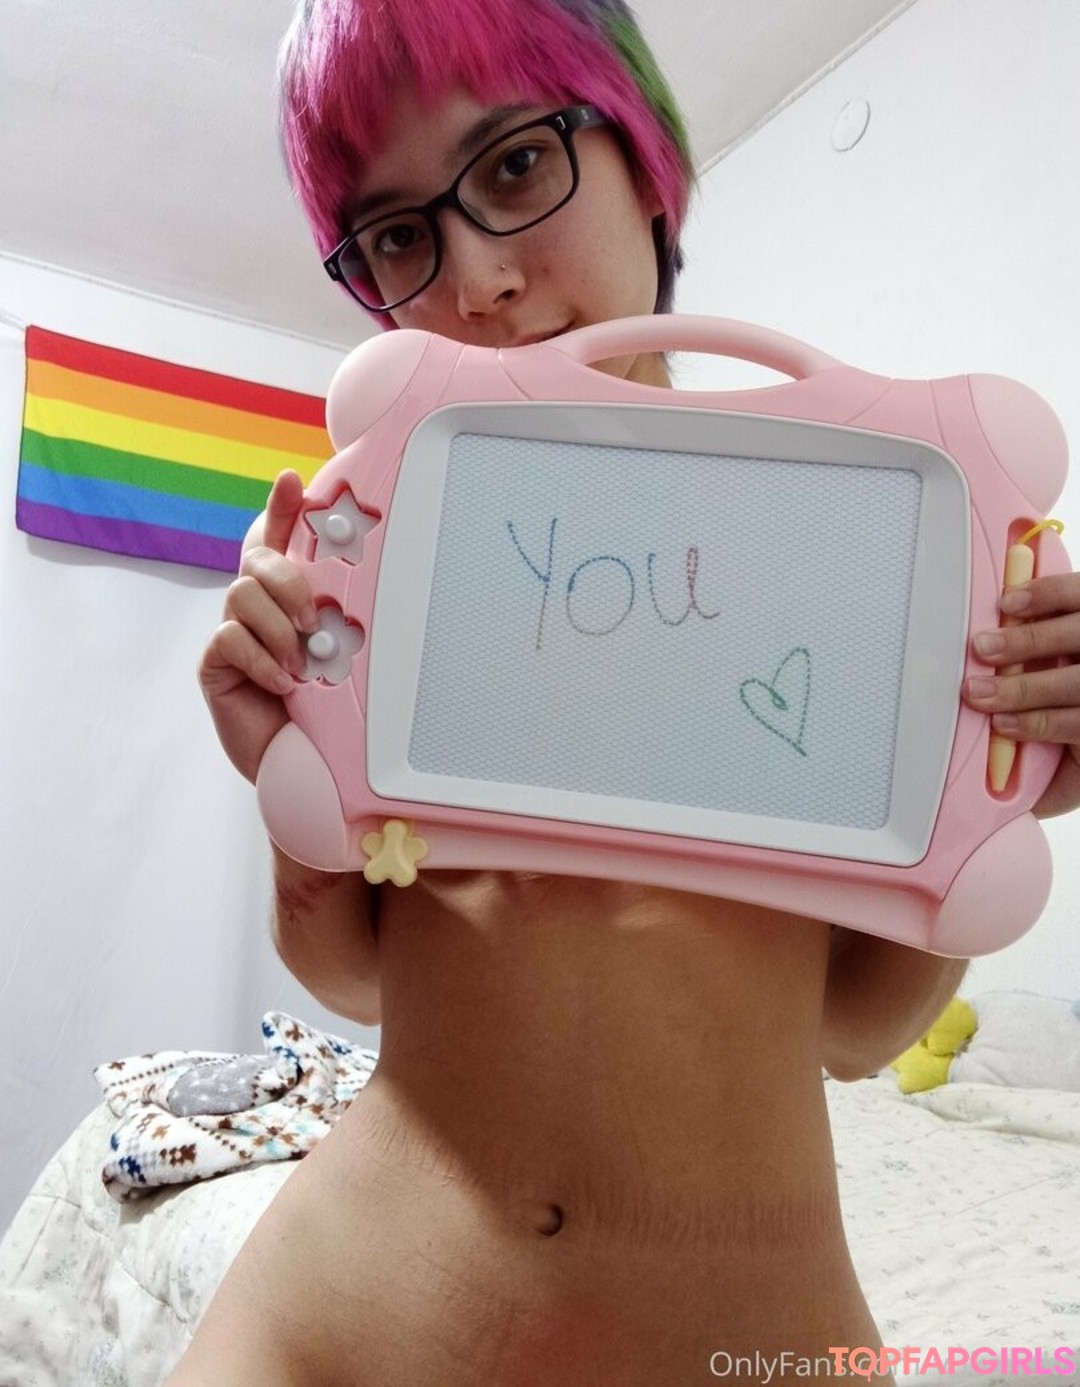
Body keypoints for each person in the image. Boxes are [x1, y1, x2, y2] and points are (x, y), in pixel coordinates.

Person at [180, 1, 1080, 1382]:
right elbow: (352, 976)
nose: (478, 280)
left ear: (649, 166)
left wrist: (986, 792)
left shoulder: (858, 556)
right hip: (336, 1325)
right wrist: (292, 780)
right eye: (399, 237)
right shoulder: (385, 572)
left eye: (516, 165)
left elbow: (857, 1034)